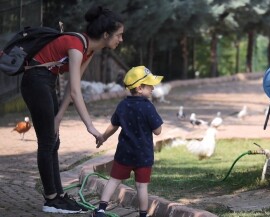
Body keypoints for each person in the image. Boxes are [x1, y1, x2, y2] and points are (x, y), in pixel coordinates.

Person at [20, 5, 124, 214]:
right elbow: (76, 93)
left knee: (53, 140)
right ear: (106, 35)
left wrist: (59, 116)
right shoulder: (77, 45)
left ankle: (58, 196)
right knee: (47, 141)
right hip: (35, 81)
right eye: (119, 35)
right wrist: (90, 127)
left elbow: (70, 86)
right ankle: (50, 200)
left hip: (46, 82)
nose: (121, 40)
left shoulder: (89, 50)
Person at [92, 66, 164, 217]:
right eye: (150, 85)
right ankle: (143, 215)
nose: (153, 88)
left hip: (124, 153)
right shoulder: (148, 107)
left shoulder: (122, 105)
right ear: (139, 88)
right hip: (143, 156)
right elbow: (158, 131)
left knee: (113, 181)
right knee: (141, 187)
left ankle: (100, 211)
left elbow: (113, 126)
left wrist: (103, 137)